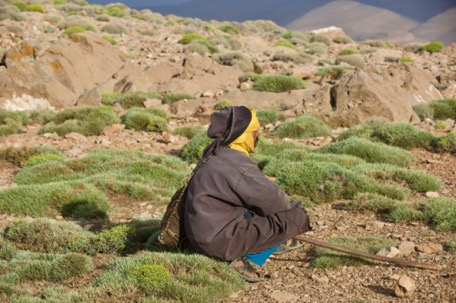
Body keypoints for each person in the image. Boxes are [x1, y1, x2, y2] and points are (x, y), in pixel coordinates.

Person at [183, 106, 311, 282]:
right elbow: (273, 200)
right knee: (296, 217)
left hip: (201, 235)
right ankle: (247, 255)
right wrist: (294, 210)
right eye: (254, 131)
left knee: (261, 213)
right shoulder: (234, 162)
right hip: (218, 240)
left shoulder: (215, 153)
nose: (258, 135)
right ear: (242, 134)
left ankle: (268, 243)